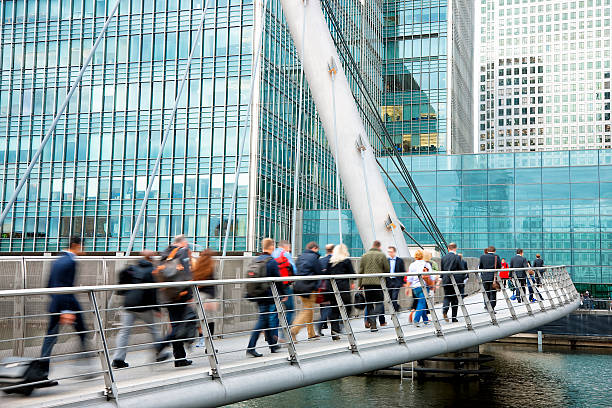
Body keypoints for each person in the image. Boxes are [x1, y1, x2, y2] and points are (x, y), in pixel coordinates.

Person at [39, 237, 90, 379]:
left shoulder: (57, 260)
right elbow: (66, 286)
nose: (83, 250)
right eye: (82, 247)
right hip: (67, 303)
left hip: (56, 302)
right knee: (83, 332)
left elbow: (49, 285)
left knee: (50, 337)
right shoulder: (70, 262)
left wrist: (57, 303)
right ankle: (85, 367)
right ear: (75, 246)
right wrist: (66, 310)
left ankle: (42, 371)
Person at [112, 251, 168, 368]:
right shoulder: (151, 270)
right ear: (151, 259)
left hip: (129, 304)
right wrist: (157, 309)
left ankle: (118, 359)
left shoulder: (133, 268)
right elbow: (152, 291)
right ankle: (160, 353)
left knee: (124, 332)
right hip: (143, 307)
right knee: (154, 329)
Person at [155, 234, 195, 367]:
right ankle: (160, 346)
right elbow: (187, 274)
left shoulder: (165, 254)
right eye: (187, 243)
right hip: (180, 295)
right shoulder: (182, 252)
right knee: (182, 326)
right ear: (182, 243)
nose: (187, 246)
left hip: (168, 296)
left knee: (176, 325)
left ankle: (179, 358)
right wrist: (189, 295)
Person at [246, 238, 286, 357]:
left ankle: (273, 346)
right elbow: (278, 280)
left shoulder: (256, 260)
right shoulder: (271, 261)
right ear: (271, 247)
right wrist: (283, 294)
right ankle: (250, 347)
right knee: (262, 320)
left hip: (257, 294)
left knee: (266, 320)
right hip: (267, 295)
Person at [291, 242, 322, 341]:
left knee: (308, 309)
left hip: (299, 286)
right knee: (307, 310)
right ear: (314, 248)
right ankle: (294, 331)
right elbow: (319, 272)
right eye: (317, 249)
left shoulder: (300, 257)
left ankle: (311, 333)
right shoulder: (314, 257)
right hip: (309, 287)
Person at [358, 241, 389, 332]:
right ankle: (374, 316)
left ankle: (373, 326)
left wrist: (360, 285)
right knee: (379, 303)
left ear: (372, 246)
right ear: (379, 247)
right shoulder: (381, 255)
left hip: (366, 283)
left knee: (369, 304)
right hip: (378, 283)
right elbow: (387, 269)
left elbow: (361, 271)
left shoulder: (365, 256)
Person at [191, 249, 218, 348]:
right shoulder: (211, 267)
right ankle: (209, 347)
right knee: (210, 322)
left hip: (198, 297)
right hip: (209, 298)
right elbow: (212, 285)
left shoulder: (197, 267)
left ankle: (201, 340)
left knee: (201, 321)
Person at [328, 244, 354, 340]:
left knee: (334, 310)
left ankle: (334, 332)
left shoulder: (331, 261)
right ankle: (341, 325)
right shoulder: (346, 261)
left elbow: (326, 274)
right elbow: (353, 275)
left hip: (332, 289)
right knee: (348, 308)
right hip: (343, 289)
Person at [272, 240, 297, 340]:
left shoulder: (273, 253)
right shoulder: (286, 254)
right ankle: (284, 335)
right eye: (289, 247)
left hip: (273, 286)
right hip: (285, 286)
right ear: (286, 246)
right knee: (290, 310)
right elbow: (294, 270)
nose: (290, 249)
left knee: (273, 311)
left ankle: (272, 335)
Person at [405, 249, 432, 327]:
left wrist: (407, 288)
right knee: (422, 303)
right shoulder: (426, 265)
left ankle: (425, 320)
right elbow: (431, 276)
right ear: (422, 256)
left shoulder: (412, 265)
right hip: (423, 286)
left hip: (415, 288)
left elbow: (409, 278)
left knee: (422, 302)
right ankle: (416, 320)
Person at [440, 243, 466, 322]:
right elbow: (461, 269)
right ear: (455, 248)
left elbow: (442, 270)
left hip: (446, 280)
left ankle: (445, 310)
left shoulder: (443, 257)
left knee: (447, 296)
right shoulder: (457, 257)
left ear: (448, 248)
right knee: (455, 299)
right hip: (455, 281)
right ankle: (454, 318)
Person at [316, 244, 334, 336]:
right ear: (333, 250)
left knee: (323, 305)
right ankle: (321, 323)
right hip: (330, 286)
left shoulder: (321, 260)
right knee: (331, 306)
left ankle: (323, 324)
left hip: (321, 286)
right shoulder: (334, 260)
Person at [479, 245, 501, 311]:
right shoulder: (496, 257)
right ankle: (492, 307)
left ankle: (486, 305)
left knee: (486, 292)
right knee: (493, 293)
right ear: (494, 251)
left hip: (485, 277)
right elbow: (499, 266)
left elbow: (481, 266)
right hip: (493, 277)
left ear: (487, 250)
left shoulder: (482, 257)